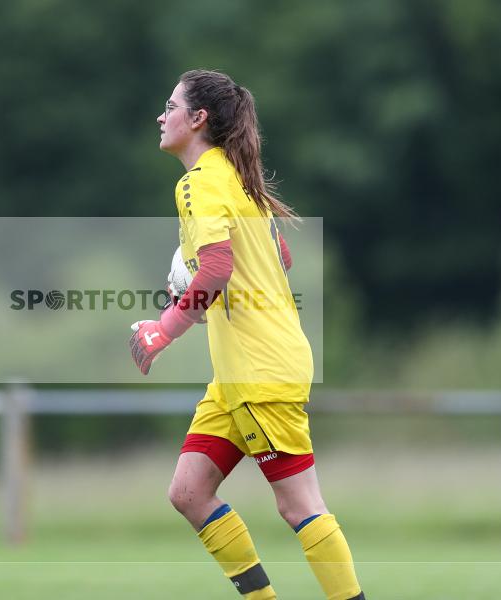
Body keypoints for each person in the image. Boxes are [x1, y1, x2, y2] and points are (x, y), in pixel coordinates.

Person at [129, 70, 365, 600]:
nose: (161, 117)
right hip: (238, 377)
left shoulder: (200, 183)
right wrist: (189, 289)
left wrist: (163, 330)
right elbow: (278, 257)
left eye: (170, 106)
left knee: (299, 504)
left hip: (261, 371)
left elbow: (215, 271)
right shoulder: (235, 179)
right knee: (189, 492)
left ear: (198, 119)